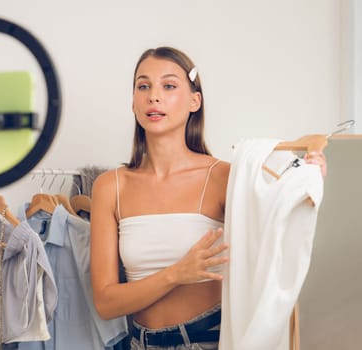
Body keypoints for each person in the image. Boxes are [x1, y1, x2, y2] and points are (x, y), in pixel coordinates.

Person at [89, 46, 327, 350]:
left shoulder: (225, 177)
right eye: (143, 85)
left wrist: (309, 173)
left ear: (194, 101)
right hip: (139, 343)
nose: (154, 96)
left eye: (169, 85)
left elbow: (281, 218)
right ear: (133, 101)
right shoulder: (110, 187)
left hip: (210, 339)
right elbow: (107, 303)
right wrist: (177, 273)